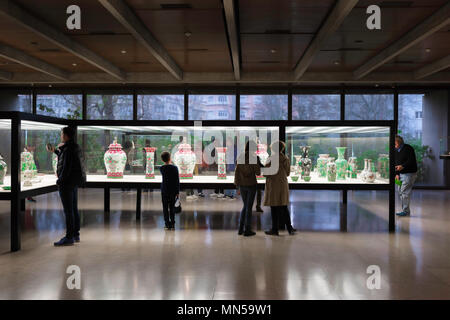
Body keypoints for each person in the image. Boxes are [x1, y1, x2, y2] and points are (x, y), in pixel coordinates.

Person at [47, 127, 86, 246]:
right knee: (73, 209)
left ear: (66, 135)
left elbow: (66, 167)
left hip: (66, 183)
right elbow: (66, 159)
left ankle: (69, 237)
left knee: (68, 210)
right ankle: (75, 234)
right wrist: (55, 151)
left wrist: (60, 180)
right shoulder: (73, 147)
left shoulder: (68, 149)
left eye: (61, 134)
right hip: (73, 183)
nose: (60, 136)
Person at [263, 141, 295, 236]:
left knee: (274, 207)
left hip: (273, 184)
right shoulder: (285, 158)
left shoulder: (270, 159)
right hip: (282, 183)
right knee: (283, 207)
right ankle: (289, 228)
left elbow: (265, 173)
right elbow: (288, 173)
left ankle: (275, 229)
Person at [234, 141, 261, 236]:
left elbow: (237, 171)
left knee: (245, 206)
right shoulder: (254, 158)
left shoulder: (240, 157)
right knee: (248, 207)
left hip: (242, 185)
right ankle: (247, 229)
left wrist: (237, 184)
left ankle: (241, 228)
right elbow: (258, 172)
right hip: (251, 184)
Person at [395, 135, 418, 217]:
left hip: (409, 174)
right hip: (400, 174)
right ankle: (405, 210)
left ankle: (406, 211)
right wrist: (397, 174)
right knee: (400, 192)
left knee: (404, 192)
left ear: (398, 142)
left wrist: (403, 166)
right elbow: (396, 162)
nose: (394, 146)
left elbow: (411, 161)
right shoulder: (396, 150)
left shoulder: (408, 148)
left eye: (395, 143)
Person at [159, 151, 180, 230]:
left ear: (162, 159)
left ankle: (167, 224)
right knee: (172, 207)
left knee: (165, 208)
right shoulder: (175, 168)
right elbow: (177, 180)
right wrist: (177, 192)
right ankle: (173, 223)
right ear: (170, 158)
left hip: (164, 190)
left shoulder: (162, 168)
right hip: (173, 190)